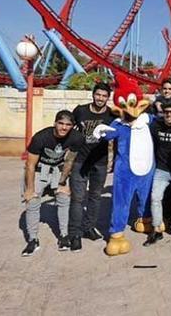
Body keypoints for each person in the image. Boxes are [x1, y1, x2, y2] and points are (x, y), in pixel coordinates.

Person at [21, 110, 83, 256]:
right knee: (32, 202)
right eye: (61, 123)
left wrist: (62, 182)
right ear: (55, 123)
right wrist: (30, 188)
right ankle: (32, 239)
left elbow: (69, 160)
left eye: (68, 125)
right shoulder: (41, 137)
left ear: (72, 126)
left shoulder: (76, 137)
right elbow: (30, 165)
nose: (64, 127)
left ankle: (64, 236)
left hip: (57, 169)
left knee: (63, 198)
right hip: (39, 169)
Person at [68, 82, 114, 252]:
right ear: (93, 95)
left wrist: (112, 160)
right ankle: (75, 234)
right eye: (98, 95)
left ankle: (88, 227)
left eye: (104, 96)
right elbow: (67, 129)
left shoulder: (111, 114)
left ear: (108, 98)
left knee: (95, 196)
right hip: (80, 160)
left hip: (100, 161)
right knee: (78, 198)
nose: (100, 98)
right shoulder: (80, 110)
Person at [144, 102, 171, 246]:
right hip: (161, 169)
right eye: (166, 112)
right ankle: (157, 230)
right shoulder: (156, 125)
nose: (169, 115)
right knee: (155, 198)